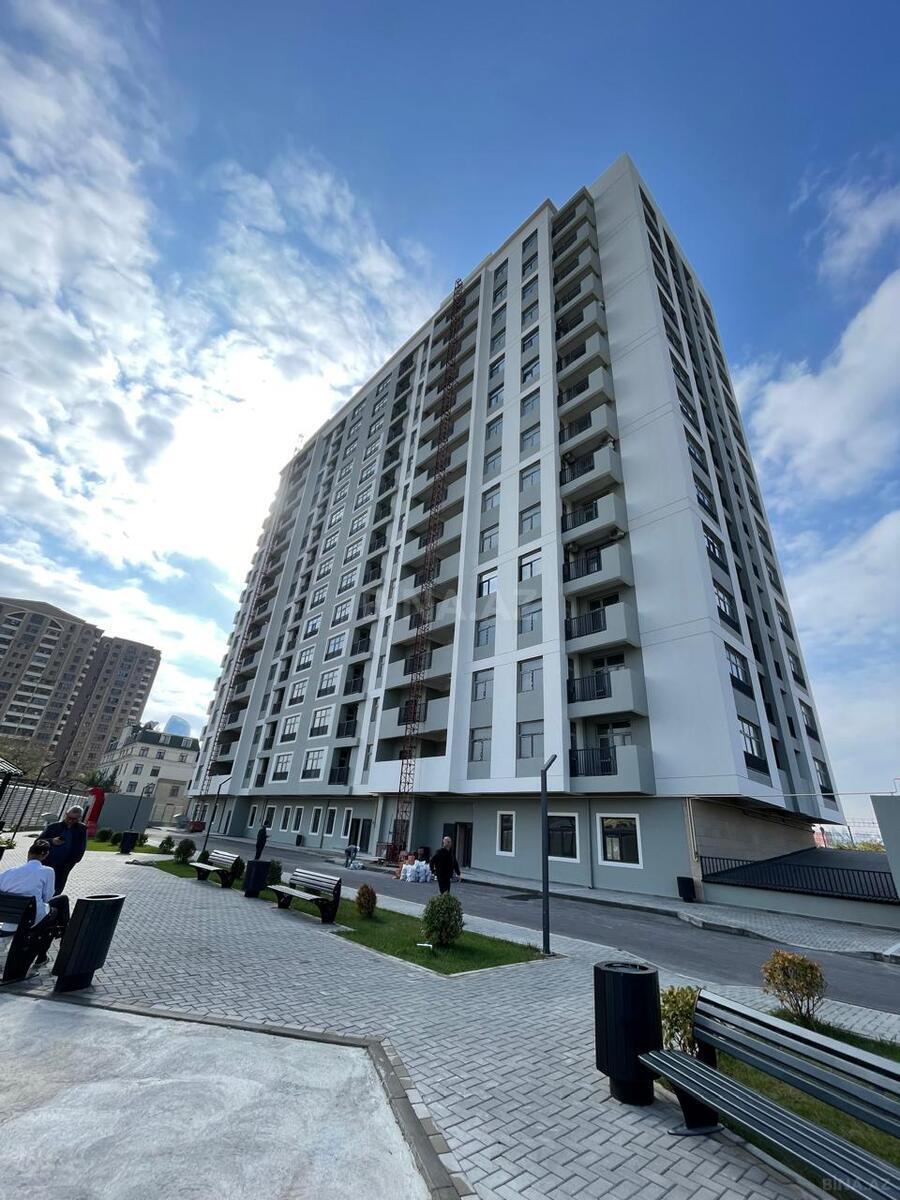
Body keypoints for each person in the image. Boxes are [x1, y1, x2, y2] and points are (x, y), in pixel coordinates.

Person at [0, 839, 70, 966]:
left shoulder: (9, 872)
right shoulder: (48, 871)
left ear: (28, 853)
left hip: (8, 916)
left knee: (59, 904)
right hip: (32, 917)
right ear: (45, 855)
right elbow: (48, 897)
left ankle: (62, 934)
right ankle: (61, 940)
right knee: (59, 907)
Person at [40, 806, 87, 895]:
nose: (71, 821)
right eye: (69, 818)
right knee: (44, 884)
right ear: (66, 814)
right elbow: (38, 841)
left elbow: (82, 846)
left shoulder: (81, 829)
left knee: (58, 886)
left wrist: (75, 860)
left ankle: (53, 901)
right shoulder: (53, 827)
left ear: (79, 818)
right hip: (48, 861)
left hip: (66, 864)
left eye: (74, 819)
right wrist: (52, 841)